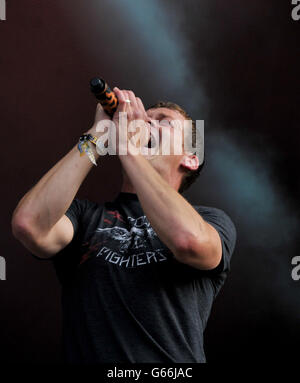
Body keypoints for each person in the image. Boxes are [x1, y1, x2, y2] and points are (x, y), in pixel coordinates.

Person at [11, 87, 236, 363]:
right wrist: (98, 134)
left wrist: (129, 149)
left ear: (191, 158)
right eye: (144, 117)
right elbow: (28, 225)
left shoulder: (211, 220)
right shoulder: (84, 217)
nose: (145, 122)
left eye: (163, 121)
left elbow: (189, 241)